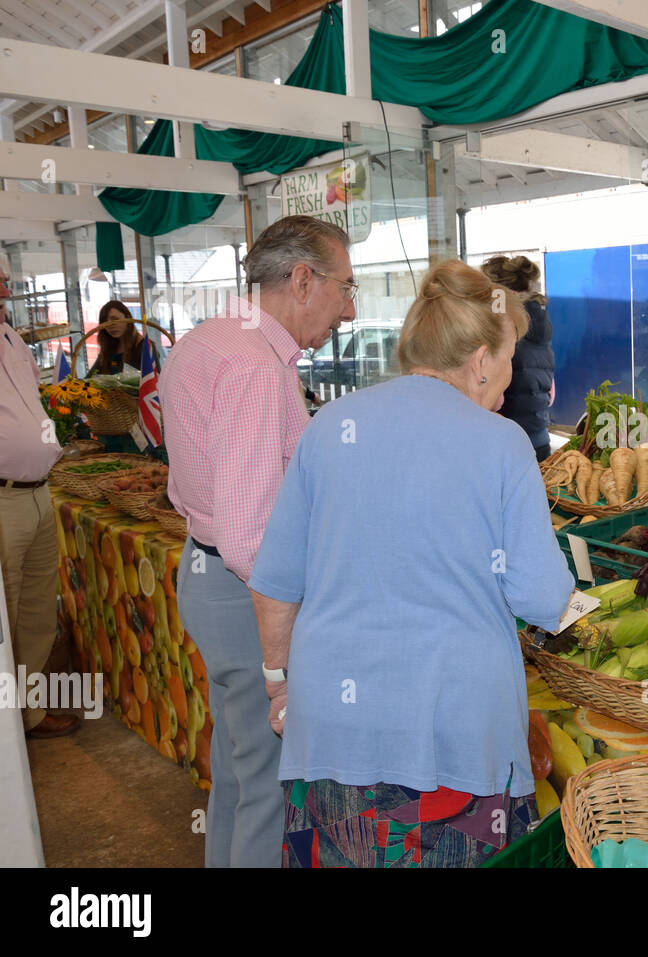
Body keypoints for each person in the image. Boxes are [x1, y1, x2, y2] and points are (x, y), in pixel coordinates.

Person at [247, 260, 574, 868]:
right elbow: (542, 597)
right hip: (453, 746)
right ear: (479, 360)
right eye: (508, 361)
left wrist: (278, 686)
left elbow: (274, 583)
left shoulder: (330, 425)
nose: (509, 380)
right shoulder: (501, 444)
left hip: (332, 733)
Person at [159, 215, 356, 868]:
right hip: (246, 593)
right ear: (302, 280)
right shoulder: (254, 368)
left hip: (208, 576)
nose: (348, 309)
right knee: (270, 784)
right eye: (344, 287)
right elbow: (249, 539)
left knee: (238, 768)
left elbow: (188, 486)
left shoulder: (212, 340)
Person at [0, 255, 79, 739]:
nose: (5, 290)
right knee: (3, 621)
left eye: (6, 280)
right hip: (4, 499)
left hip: (38, 493)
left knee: (34, 614)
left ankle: (25, 716)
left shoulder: (10, 337)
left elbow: (36, 399)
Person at [480, 255, 555, 462]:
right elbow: (550, 392)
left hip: (507, 441)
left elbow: (494, 401)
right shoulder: (540, 322)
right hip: (539, 437)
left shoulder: (502, 326)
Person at [87, 300, 145, 376]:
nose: (110, 325)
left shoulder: (144, 346)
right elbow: (89, 378)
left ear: (128, 318)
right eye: (105, 322)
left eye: (115, 319)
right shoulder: (108, 348)